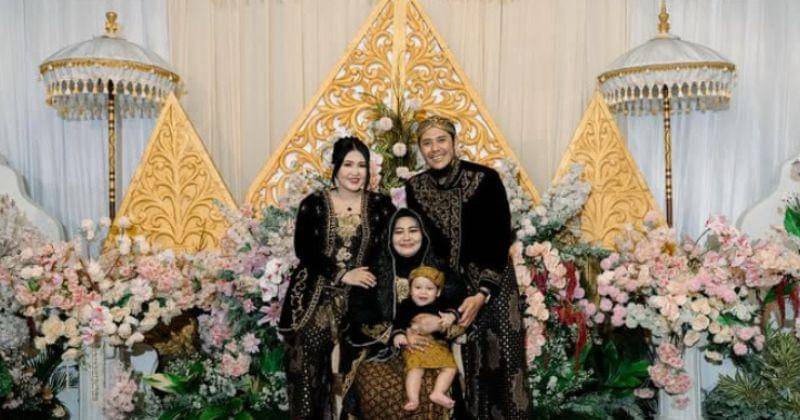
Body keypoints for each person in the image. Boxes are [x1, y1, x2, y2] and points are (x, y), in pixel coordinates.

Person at [405, 116, 530, 419]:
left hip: (493, 282)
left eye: (441, 140)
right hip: (449, 287)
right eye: (427, 143)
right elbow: (426, 248)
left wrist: (483, 293)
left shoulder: (485, 179)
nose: (435, 148)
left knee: (502, 363)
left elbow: (499, 238)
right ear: (420, 149)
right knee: (465, 369)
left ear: (454, 142)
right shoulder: (415, 187)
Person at [278, 136, 395, 419]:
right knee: (309, 348)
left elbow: (388, 252)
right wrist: (342, 274)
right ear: (336, 167)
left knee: (368, 356)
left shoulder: (381, 205)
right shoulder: (314, 204)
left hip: (364, 298)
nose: (355, 172)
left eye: (362, 166)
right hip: (316, 293)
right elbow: (305, 250)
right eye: (348, 165)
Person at [345, 208, 466, 419]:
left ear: (423, 234)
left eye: (413, 230)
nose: (406, 237)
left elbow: (460, 309)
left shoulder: (440, 271)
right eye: (399, 232)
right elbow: (360, 315)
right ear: (389, 237)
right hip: (383, 350)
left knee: (433, 386)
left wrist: (437, 325)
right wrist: (397, 335)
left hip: (431, 347)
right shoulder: (373, 272)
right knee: (376, 385)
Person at [391, 266, 458, 412]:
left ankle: (438, 392)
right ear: (410, 290)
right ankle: (413, 398)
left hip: (437, 345)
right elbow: (399, 323)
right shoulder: (406, 306)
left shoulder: (441, 304)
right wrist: (399, 335)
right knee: (415, 369)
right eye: (418, 287)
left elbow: (454, 310)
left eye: (429, 288)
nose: (423, 292)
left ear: (438, 292)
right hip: (414, 345)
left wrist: (451, 316)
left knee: (450, 368)